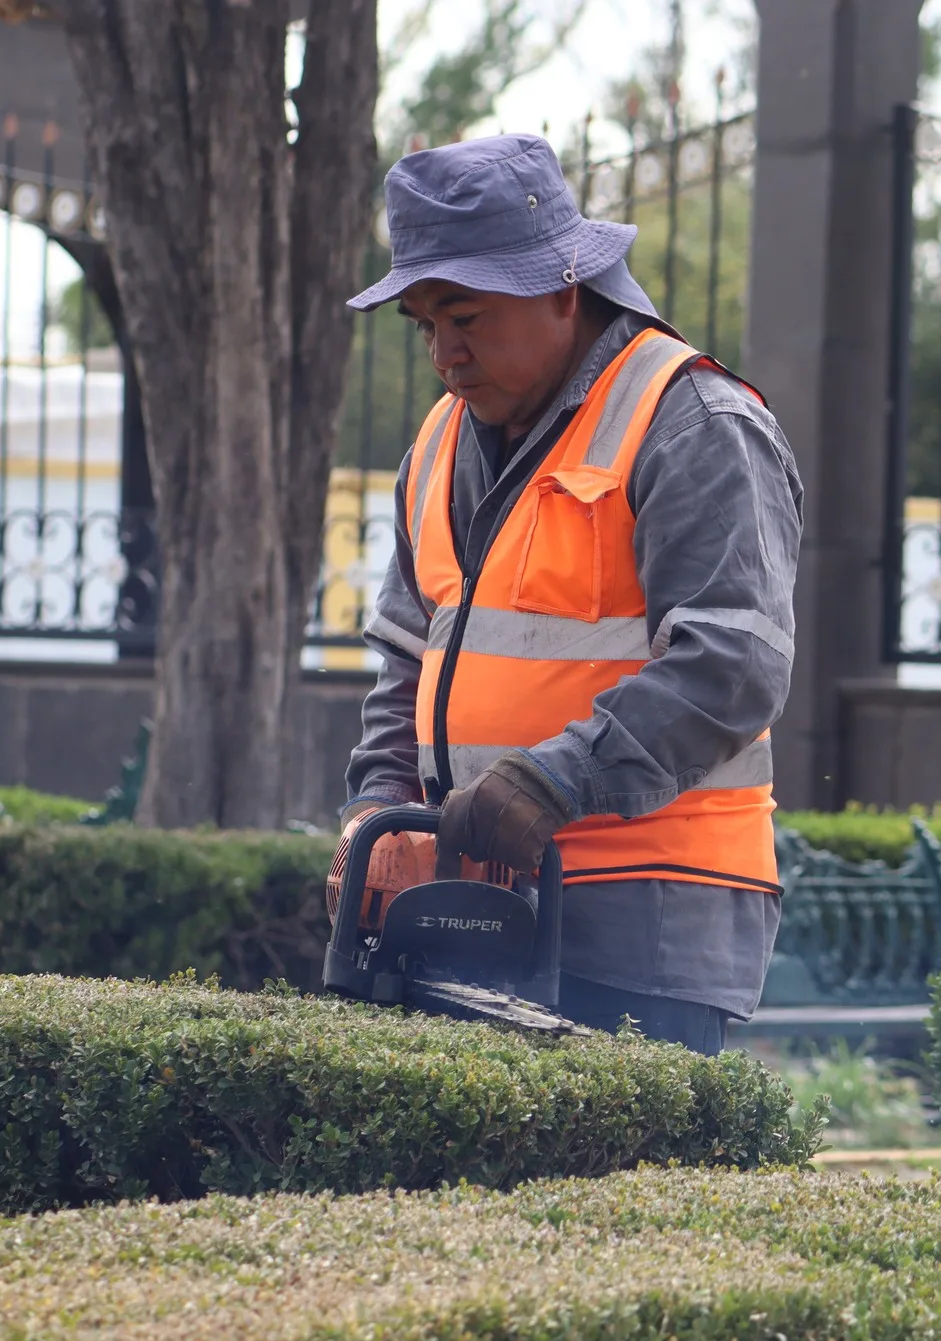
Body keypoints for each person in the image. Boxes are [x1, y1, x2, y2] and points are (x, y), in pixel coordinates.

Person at [337, 132, 803, 1055]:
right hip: (476, 908)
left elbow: (735, 665)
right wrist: (375, 808)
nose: (444, 353)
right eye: (425, 325)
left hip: (648, 920)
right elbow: (404, 660)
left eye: (465, 316)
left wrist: (556, 777)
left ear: (561, 287)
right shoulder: (440, 442)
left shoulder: (695, 424)